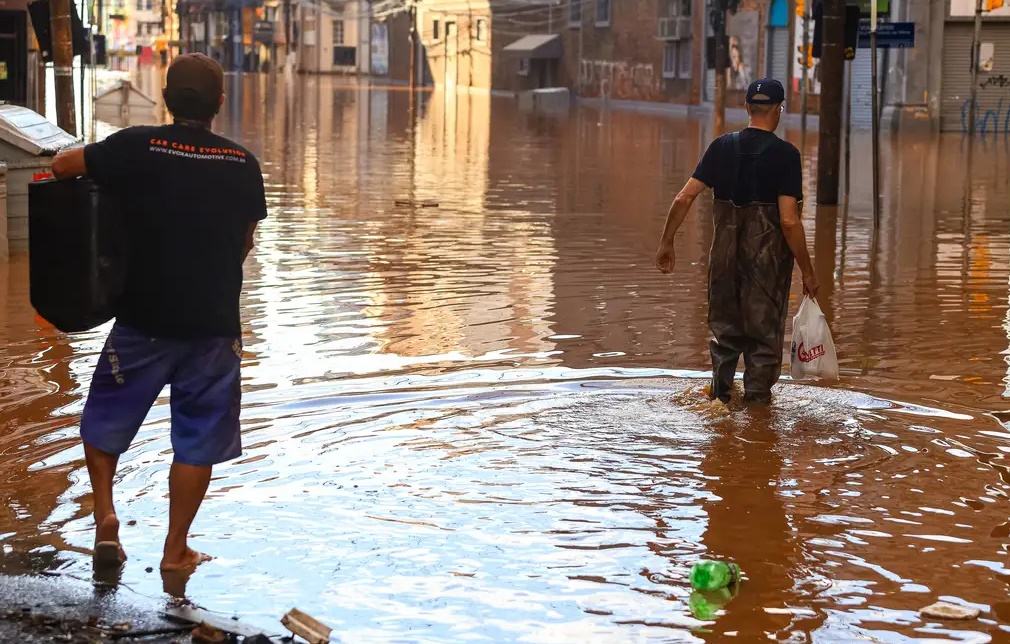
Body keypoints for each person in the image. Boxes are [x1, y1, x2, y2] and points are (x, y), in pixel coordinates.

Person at [51, 53, 267, 573]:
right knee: (197, 440)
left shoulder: (136, 146)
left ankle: (105, 516)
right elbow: (244, 244)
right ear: (220, 103)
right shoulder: (243, 164)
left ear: (166, 99)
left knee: (104, 421)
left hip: (142, 321)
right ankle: (176, 551)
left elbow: (62, 167)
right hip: (213, 327)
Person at [654, 78, 818, 405]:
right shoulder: (785, 155)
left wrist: (666, 243)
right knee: (763, 344)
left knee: (725, 339)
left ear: (746, 109)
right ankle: (757, 423)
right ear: (779, 111)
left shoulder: (720, 147)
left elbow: (684, 197)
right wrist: (808, 271)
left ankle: (720, 403)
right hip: (766, 269)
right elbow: (788, 220)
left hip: (723, 264)